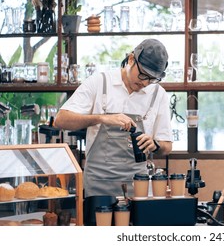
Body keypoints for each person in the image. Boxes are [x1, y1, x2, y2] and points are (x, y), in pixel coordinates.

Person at [54, 38, 173, 198]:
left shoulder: (158, 94)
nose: (145, 83)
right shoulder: (100, 82)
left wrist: (154, 144)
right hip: (98, 184)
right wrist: (101, 118)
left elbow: (167, 146)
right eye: (143, 75)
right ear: (131, 59)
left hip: (137, 185)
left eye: (152, 79)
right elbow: (61, 120)